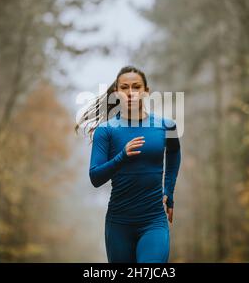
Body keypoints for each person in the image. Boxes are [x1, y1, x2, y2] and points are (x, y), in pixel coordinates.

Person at [75, 65, 181, 263]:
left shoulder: (166, 126)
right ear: (117, 92)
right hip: (119, 224)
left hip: (154, 221)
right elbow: (95, 178)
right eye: (124, 88)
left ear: (146, 92)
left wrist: (169, 190)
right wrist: (121, 156)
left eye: (136, 87)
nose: (130, 93)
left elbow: (174, 152)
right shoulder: (106, 131)